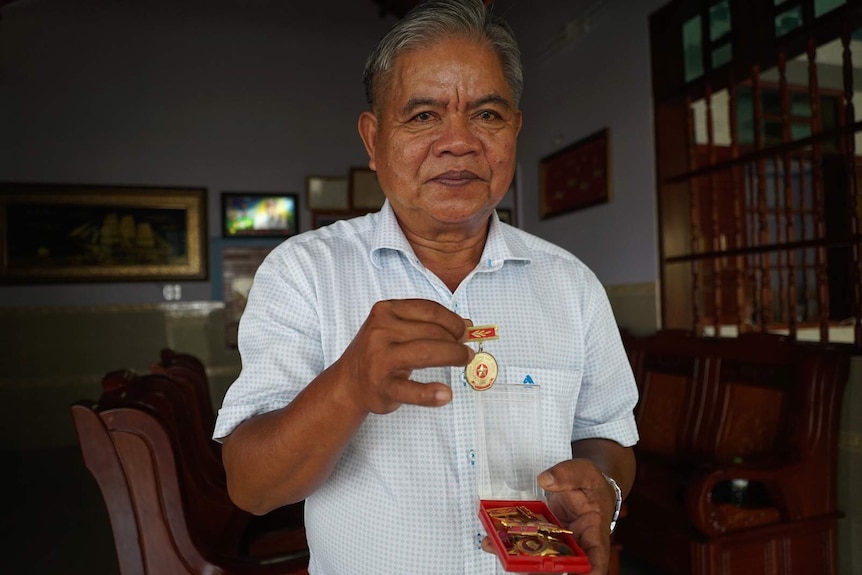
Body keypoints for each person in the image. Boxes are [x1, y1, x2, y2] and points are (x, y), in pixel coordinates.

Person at [213, 1, 638, 573]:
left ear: (515, 129)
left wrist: (603, 487)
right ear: (373, 138)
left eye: (487, 115)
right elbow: (251, 487)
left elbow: (608, 438)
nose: (458, 142)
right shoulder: (304, 273)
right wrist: (348, 387)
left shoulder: (571, 284)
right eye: (423, 117)